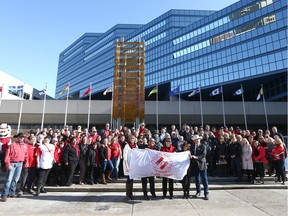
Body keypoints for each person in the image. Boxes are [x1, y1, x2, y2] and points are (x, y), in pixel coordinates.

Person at [0, 133, 28, 202]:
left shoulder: (25, 146)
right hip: (12, 163)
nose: (21, 138)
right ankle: (4, 195)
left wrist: (26, 162)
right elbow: (7, 156)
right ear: (17, 138)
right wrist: (8, 164)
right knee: (9, 180)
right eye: (20, 137)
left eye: (23, 137)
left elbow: (26, 155)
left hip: (20, 163)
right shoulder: (12, 145)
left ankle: (12, 192)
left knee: (16, 179)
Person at [191, 134, 209, 200]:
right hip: (195, 165)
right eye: (195, 140)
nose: (197, 141)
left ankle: (206, 193)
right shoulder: (192, 146)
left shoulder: (203, 146)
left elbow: (203, 155)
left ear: (199, 139)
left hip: (202, 164)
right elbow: (191, 154)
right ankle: (198, 191)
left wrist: (196, 157)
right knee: (197, 179)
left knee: (204, 179)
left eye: (198, 139)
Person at [123, 135, 137, 200]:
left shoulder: (136, 146)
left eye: (133, 138)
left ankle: (130, 193)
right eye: (131, 138)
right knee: (129, 180)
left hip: (133, 165)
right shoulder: (127, 146)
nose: (132, 139)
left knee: (131, 180)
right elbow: (125, 157)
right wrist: (126, 166)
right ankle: (128, 193)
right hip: (128, 165)